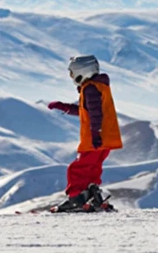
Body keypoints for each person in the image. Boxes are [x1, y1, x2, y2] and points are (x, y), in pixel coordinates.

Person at [47, 55, 123, 212]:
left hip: (95, 138)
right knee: (92, 168)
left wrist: (96, 134)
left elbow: (96, 114)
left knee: (77, 169)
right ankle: (94, 198)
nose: (72, 77)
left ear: (82, 71)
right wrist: (65, 107)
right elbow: (86, 110)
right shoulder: (98, 86)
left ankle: (76, 200)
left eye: (72, 73)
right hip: (106, 138)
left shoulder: (90, 88)